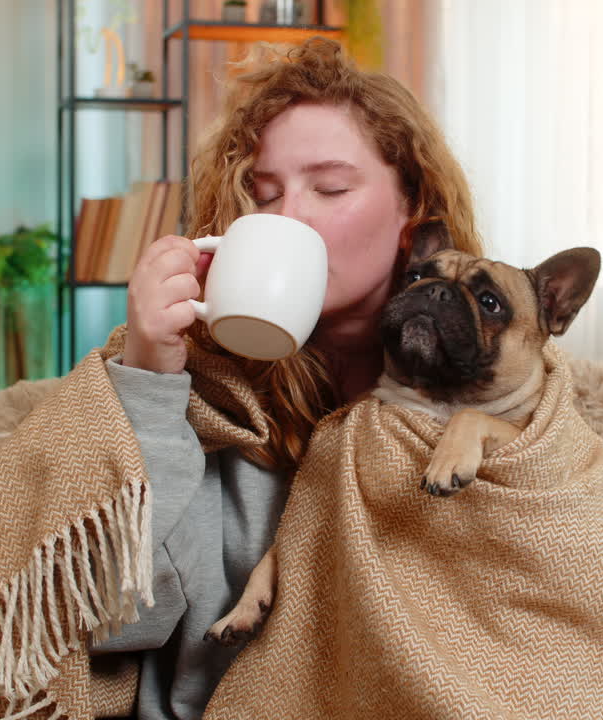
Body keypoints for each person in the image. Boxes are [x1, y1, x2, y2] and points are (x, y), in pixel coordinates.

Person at [88, 36, 484, 720]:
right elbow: (118, 625)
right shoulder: (207, 399)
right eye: (263, 194)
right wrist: (150, 376)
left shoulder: (490, 402)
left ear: (411, 219)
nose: (287, 216)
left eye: (330, 187)